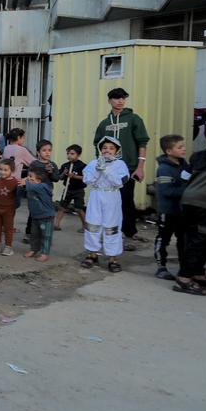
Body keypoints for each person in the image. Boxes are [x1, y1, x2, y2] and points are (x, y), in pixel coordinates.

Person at [93, 87, 149, 250]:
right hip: (107, 171)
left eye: (123, 98)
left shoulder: (133, 119)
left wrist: (140, 167)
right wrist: (99, 168)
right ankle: (109, 234)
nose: (121, 101)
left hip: (128, 169)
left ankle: (129, 234)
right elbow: (97, 145)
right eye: (117, 98)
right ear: (110, 101)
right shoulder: (104, 123)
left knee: (125, 201)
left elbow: (142, 142)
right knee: (108, 203)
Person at [81, 137, 130, 272]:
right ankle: (92, 254)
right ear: (100, 150)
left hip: (112, 196)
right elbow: (87, 179)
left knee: (112, 227)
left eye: (111, 148)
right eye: (104, 148)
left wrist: (106, 170)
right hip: (96, 195)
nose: (107, 150)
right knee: (92, 225)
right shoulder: (93, 163)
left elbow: (120, 182)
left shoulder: (120, 165)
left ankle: (112, 258)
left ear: (116, 151)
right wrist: (98, 169)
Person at [175, 146, 206, 295]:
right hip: (205, 203)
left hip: (188, 200)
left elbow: (184, 176)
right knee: (201, 240)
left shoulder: (200, 155)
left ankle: (197, 272)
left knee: (193, 237)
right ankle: (185, 277)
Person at [154, 135, 189, 280]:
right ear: (169, 151)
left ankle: (185, 268)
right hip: (167, 211)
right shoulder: (163, 169)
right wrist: (188, 190)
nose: (184, 149)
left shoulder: (185, 165)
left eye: (183, 146)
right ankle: (161, 267)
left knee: (184, 240)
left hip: (182, 211)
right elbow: (166, 191)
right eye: (179, 147)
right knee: (163, 238)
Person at [23, 139, 61, 242]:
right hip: (35, 193)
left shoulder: (53, 165)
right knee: (33, 213)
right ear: (38, 152)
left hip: (46, 193)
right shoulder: (34, 164)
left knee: (45, 214)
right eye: (44, 150)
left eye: (49, 150)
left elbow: (56, 179)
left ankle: (42, 235)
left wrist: (51, 172)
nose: (47, 152)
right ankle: (29, 233)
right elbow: (30, 177)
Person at [0, 159, 20, 256]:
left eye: (6, 170)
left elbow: (18, 197)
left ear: (12, 170)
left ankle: (8, 247)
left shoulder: (15, 183)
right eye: (1, 169)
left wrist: (14, 207)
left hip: (9, 210)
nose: (2, 172)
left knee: (8, 229)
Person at [24, 166, 56, 262]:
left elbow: (31, 186)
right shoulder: (31, 187)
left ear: (38, 180)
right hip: (35, 216)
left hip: (46, 217)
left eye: (30, 177)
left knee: (45, 236)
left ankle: (44, 253)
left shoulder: (43, 187)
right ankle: (34, 249)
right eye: (28, 176)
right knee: (34, 234)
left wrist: (25, 182)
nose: (28, 178)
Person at [55, 145, 86, 232]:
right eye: (68, 153)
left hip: (78, 190)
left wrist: (74, 176)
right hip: (67, 190)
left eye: (72, 154)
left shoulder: (82, 166)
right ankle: (56, 224)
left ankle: (85, 226)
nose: (69, 155)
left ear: (78, 155)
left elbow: (86, 177)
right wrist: (63, 173)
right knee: (62, 207)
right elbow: (59, 178)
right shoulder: (65, 165)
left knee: (79, 208)